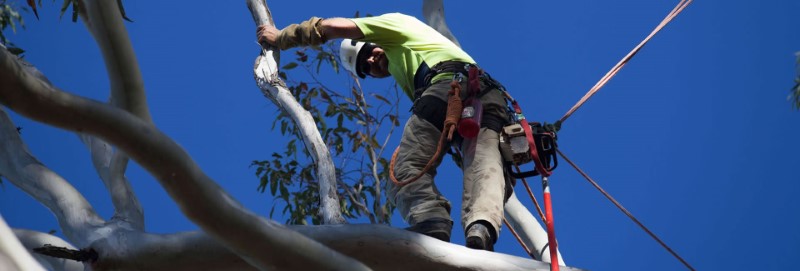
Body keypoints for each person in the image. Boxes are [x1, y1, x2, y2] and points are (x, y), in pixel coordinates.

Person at [257, 12, 513, 251]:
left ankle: (431, 219)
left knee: (406, 169)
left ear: (372, 41)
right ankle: (481, 228)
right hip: (487, 96)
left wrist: (282, 37)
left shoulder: (395, 24)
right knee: (485, 161)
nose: (371, 62)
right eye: (364, 69)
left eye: (367, 53)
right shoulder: (414, 62)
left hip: (447, 87)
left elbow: (333, 27)